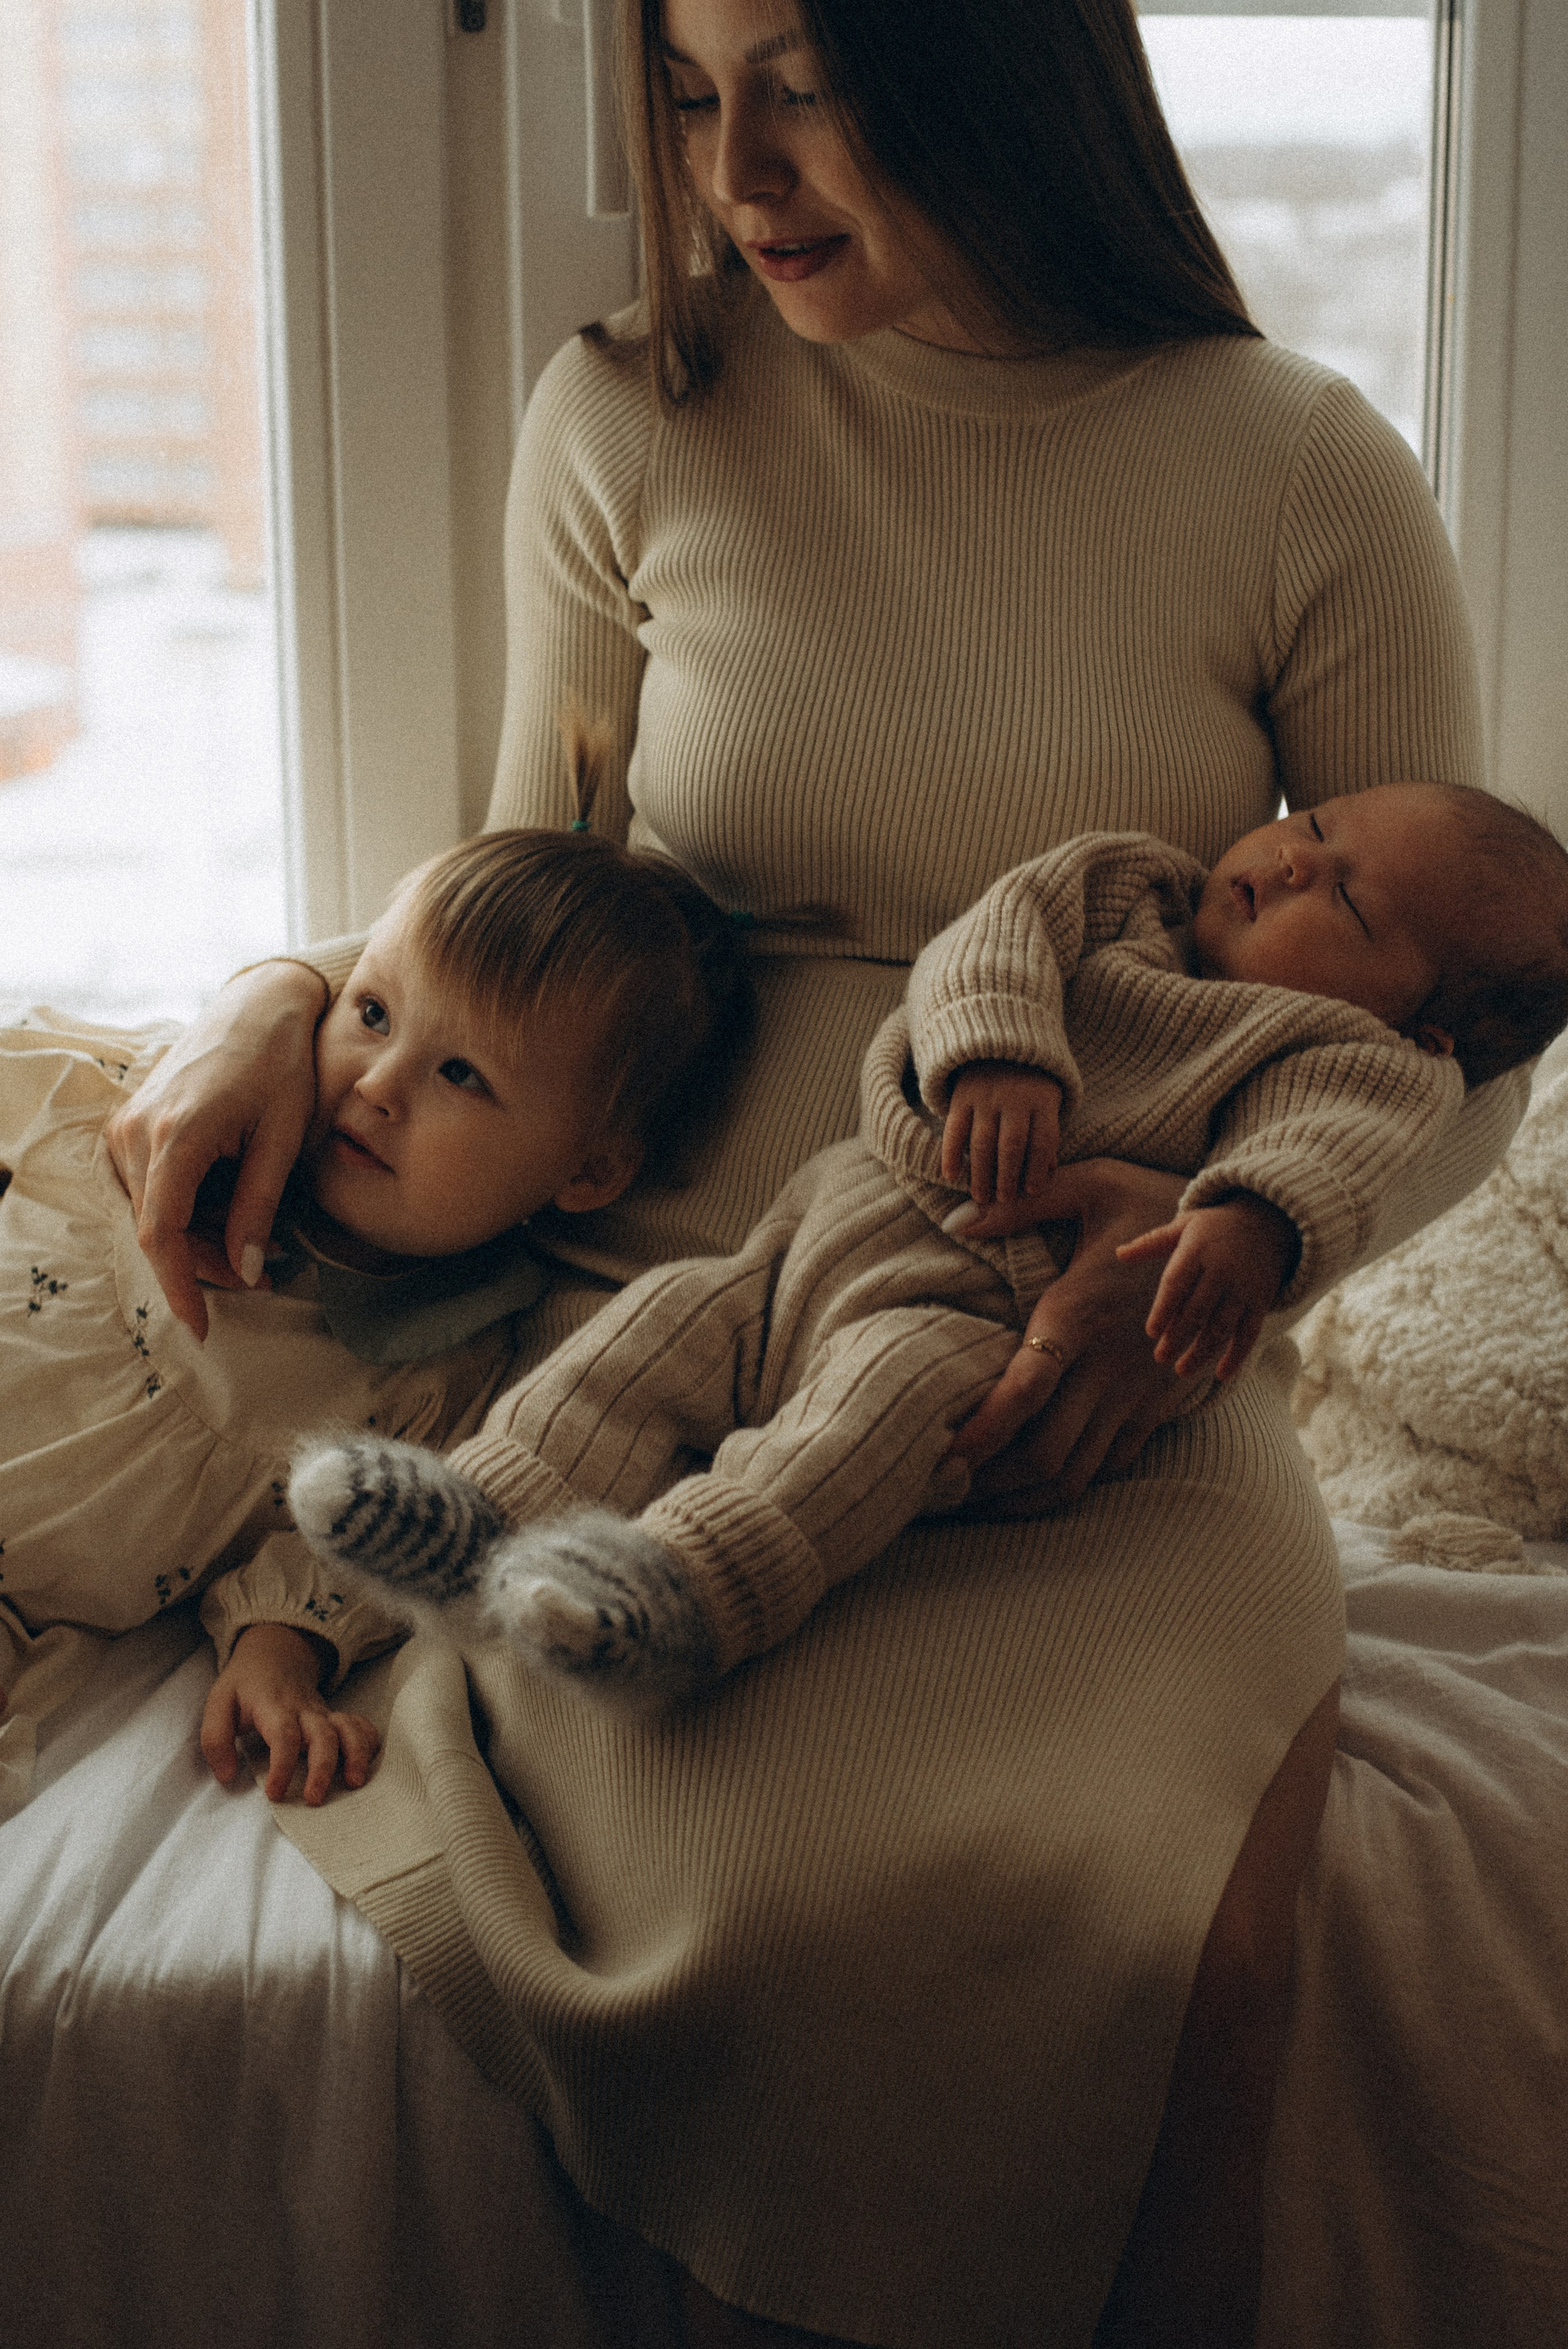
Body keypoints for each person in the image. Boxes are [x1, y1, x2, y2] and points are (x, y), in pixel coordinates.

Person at [99, 1, 1527, 2342]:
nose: (733, 169)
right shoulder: (627, 421)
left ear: (992, 70)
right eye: (685, 84)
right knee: (743, 1874)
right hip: (702, 1332)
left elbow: (1443, 1052)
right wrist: (283, 995)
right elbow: (512, 891)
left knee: (1172, 1912)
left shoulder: (1303, 471)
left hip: (1111, 1380)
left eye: (807, 81)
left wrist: (1207, 1251)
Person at [288, 784, 1568, 1696]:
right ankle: (478, 1517)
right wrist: (995, 1049)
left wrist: (1236, 1230)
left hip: (987, 1315)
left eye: (1344, 899)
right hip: (815, 1232)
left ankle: (678, 1592)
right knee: (656, 1329)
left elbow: (1328, 1158)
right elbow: (991, 937)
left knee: (871, 1411)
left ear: (1426, 1027)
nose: (1291, 862)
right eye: (1312, 824)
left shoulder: (1357, 1060)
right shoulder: (1123, 887)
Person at [0, 809, 751, 1811]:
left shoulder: (438, 1369)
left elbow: (337, 1542)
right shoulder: (183, 1108)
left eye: (462, 1075)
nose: (379, 1084)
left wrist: (279, 1655)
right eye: (373, 1013)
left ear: (590, 1172)